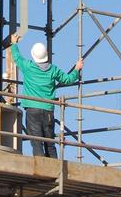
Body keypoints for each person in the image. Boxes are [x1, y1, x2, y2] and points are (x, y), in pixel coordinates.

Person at [7, 30, 83, 159]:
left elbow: (17, 58)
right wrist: (77, 69)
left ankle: (41, 166)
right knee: (50, 142)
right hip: (48, 111)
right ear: (46, 55)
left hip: (32, 109)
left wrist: (14, 44)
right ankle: (54, 168)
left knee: (36, 142)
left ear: (33, 55)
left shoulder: (28, 67)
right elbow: (68, 79)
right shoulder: (53, 69)